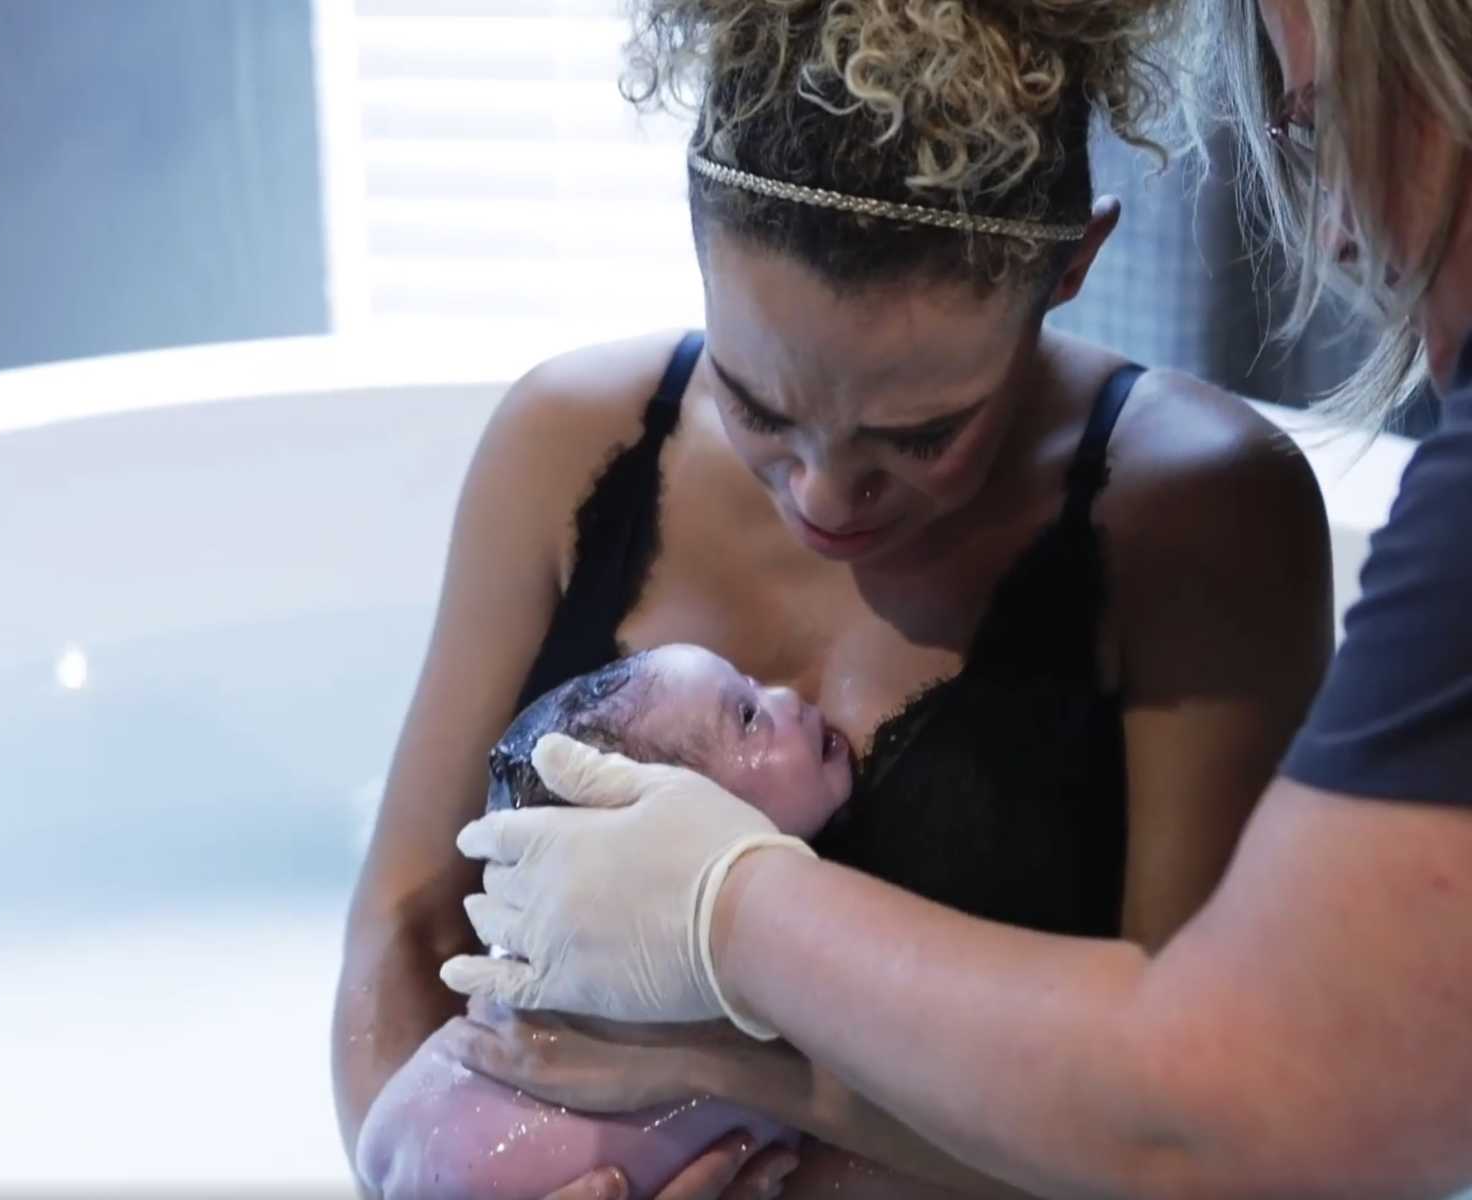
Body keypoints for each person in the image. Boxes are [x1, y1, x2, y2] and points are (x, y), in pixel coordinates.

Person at [444, 1, 1472, 1196]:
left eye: (922, 433)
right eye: (756, 406)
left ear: (1071, 270)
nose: (824, 494)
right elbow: (408, 943)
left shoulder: (1192, 517)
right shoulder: (576, 449)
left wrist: (723, 928)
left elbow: (1230, 1124)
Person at [356, 646, 834, 1200]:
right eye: (749, 717)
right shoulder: (744, 996)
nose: (791, 698)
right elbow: (398, 926)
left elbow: (387, 1156)